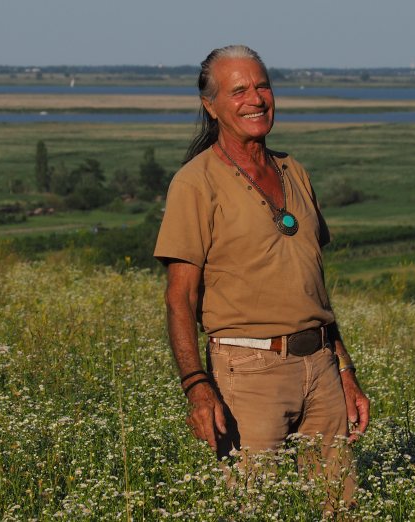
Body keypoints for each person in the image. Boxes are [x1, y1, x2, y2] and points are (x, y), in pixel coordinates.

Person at [153, 45, 370, 506]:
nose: (256, 98)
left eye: (262, 85)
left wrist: (345, 370)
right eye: (238, 90)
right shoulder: (196, 182)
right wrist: (197, 386)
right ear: (210, 106)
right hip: (247, 374)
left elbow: (313, 285)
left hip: (321, 367)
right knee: (254, 506)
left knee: (341, 507)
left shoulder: (295, 171)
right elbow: (179, 298)